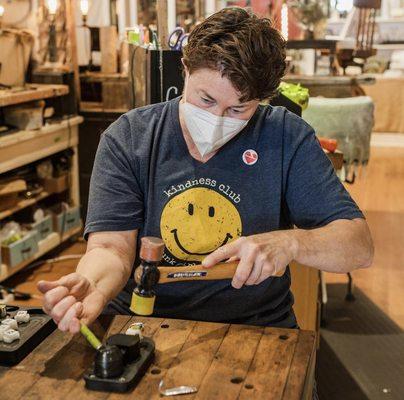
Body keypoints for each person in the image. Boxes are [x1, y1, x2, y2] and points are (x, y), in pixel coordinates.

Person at [38, 8, 373, 335]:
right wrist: (93, 287)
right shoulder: (129, 139)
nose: (216, 121)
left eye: (238, 108)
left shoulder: (286, 137)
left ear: (263, 100)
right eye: (206, 100)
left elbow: (358, 246)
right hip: (143, 325)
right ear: (185, 70)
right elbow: (111, 249)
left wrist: (291, 243)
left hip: (255, 327)